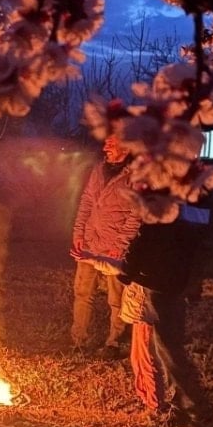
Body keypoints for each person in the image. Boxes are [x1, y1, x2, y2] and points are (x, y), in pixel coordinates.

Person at [76, 203, 211, 421]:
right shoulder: (190, 203)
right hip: (171, 283)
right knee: (166, 349)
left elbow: (147, 242)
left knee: (160, 351)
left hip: (157, 285)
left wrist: (125, 269)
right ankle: (179, 405)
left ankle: (181, 407)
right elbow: (195, 245)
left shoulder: (161, 206)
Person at [70, 131, 142, 358]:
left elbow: (136, 215)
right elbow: (87, 201)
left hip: (113, 249)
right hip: (90, 243)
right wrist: (79, 231)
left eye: (111, 143)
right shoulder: (98, 170)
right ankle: (78, 340)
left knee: (116, 299)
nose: (105, 148)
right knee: (82, 293)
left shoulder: (137, 176)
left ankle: (113, 342)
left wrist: (121, 245)